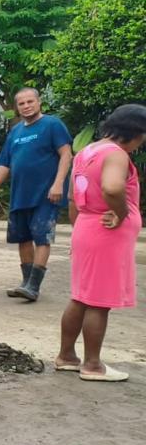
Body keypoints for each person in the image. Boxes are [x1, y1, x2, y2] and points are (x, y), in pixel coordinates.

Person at [55, 104, 146, 383]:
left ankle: (67, 356)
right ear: (135, 132)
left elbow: (72, 198)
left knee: (81, 296)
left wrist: (81, 227)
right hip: (106, 233)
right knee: (99, 302)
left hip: (86, 226)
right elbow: (112, 187)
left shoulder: (88, 151)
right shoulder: (116, 155)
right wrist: (121, 213)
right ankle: (93, 365)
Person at [0, 88, 74, 301]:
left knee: (42, 237)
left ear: (39, 102)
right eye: (22, 103)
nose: (26, 106)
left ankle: (34, 286)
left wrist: (58, 184)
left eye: (30, 101)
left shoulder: (52, 125)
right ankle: (25, 283)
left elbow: (66, 155)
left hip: (45, 195)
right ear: (17, 107)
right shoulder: (15, 132)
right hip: (20, 195)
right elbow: (5, 163)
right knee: (23, 238)